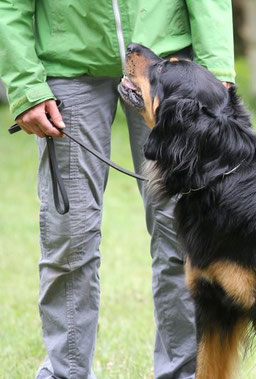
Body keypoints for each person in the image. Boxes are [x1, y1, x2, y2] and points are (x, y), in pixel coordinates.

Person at [0, 1, 235, 378]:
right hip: (70, 68)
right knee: (69, 233)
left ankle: (186, 372)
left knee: (182, 236)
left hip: (166, 68)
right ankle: (66, 372)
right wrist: (26, 83)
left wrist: (217, 66)